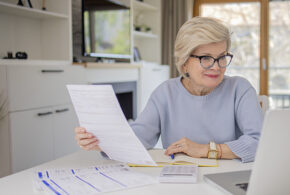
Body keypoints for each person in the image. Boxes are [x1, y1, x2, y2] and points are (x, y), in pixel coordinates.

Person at [74, 16, 263, 163]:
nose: (216, 66)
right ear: (184, 61)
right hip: (180, 181)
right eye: (205, 58)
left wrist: (205, 149)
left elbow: (260, 142)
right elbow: (138, 137)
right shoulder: (165, 93)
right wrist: (102, 141)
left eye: (222, 57)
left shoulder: (240, 89)